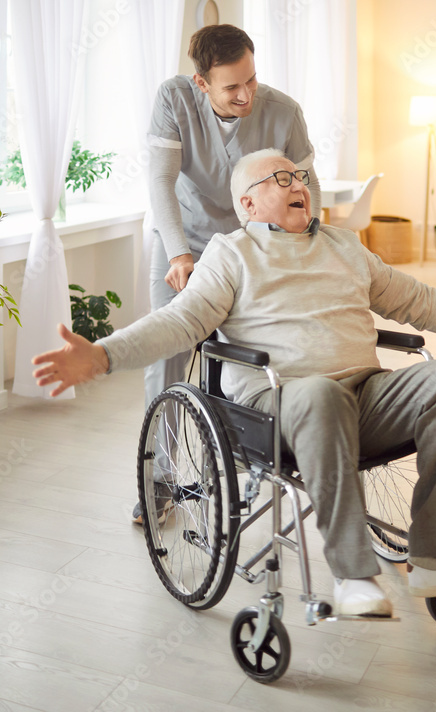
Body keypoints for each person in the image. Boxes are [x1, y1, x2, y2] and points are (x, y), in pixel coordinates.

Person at [32, 149, 436, 617]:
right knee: (320, 393)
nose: (297, 184)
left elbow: (420, 301)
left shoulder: (344, 246)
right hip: (274, 411)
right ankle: (353, 574)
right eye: (279, 178)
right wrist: (102, 355)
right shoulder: (231, 253)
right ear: (247, 204)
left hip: (363, 395)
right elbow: (181, 321)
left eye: (300, 176)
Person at [139, 24, 320, 524]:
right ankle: (158, 479)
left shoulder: (283, 112)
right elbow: (160, 180)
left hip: (251, 245)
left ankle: (242, 462)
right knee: (167, 353)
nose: (246, 94)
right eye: (232, 87)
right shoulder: (174, 99)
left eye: (252, 80)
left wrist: (307, 251)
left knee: (251, 351)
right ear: (202, 83)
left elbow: (307, 191)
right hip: (186, 238)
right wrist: (178, 253)